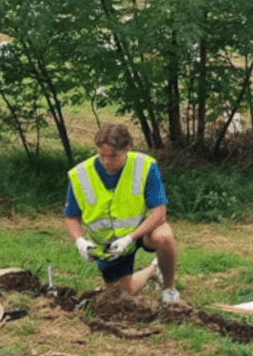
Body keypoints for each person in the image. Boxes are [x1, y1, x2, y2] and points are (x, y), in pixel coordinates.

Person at [65, 123, 180, 303]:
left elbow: (159, 213)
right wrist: (80, 241)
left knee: (164, 236)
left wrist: (130, 238)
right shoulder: (81, 175)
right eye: (102, 155)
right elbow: (71, 217)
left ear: (127, 148)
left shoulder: (145, 166)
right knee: (119, 295)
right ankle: (152, 270)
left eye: (113, 156)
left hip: (140, 232)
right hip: (108, 246)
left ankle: (169, 290)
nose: (107, 161)